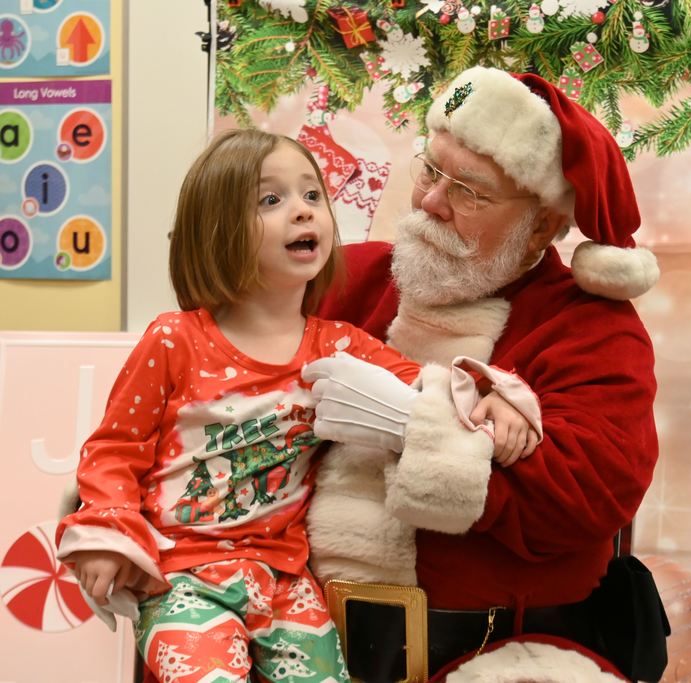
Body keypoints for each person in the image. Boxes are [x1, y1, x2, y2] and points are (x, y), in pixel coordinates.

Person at [54, 129, 541, 683]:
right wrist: (106, 534)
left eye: (313, 196)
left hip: (285, 582)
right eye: (272, 200)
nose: (303, 212)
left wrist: (493, 393)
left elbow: (427, 384)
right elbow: (115, 449)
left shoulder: (335, 344)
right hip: (180, 578)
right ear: (217, 232)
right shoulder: (174, 341)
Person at [306, 66, 665, 681]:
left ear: (544, 225)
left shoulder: (591, 328)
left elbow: (589, 493)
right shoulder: (344, 280)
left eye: (470, 191)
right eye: (429, 169)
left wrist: (415, 426)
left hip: (487, 656)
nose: (429, 202)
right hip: (306, 644)